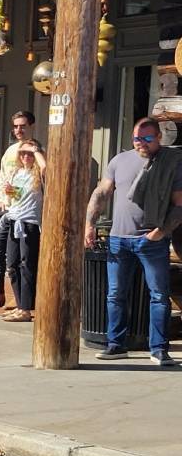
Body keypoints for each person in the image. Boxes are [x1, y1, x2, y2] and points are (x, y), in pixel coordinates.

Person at [87, 118, 182, 365]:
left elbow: (179, 204)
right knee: (115, 294)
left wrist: (160, 232)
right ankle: (116, 345)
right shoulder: (120, 160)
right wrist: (89, 223)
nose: (141, 143)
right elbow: (102, 192)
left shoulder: (171, 162)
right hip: (119, 239)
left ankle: (159, 349)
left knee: (159, 295)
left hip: (151, 240)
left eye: (147, 139)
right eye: (137, 138)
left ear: (159, 137)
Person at [0, 110, 37, 310]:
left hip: (24, 213)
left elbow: (38, 180)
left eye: (23, 126)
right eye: (16, 126)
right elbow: (3, 178)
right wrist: (0, 199)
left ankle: (19, 297)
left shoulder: (36, 150)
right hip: (5, 209)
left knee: (20, 258)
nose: (18, 130)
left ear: (32, 126)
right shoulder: (10, 150)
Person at [0, 140, 46, 323]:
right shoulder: (18, 172)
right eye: (22, 153)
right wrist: (10, 193)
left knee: (27, 265)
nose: (25, 157)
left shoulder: (38, 174)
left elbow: (46, 169)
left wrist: (37, 151)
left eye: (29, 154)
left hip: (30, 224)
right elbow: (18, 198)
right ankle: (20, 305)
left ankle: (26, 308)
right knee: (12, 264)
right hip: (14, 219)